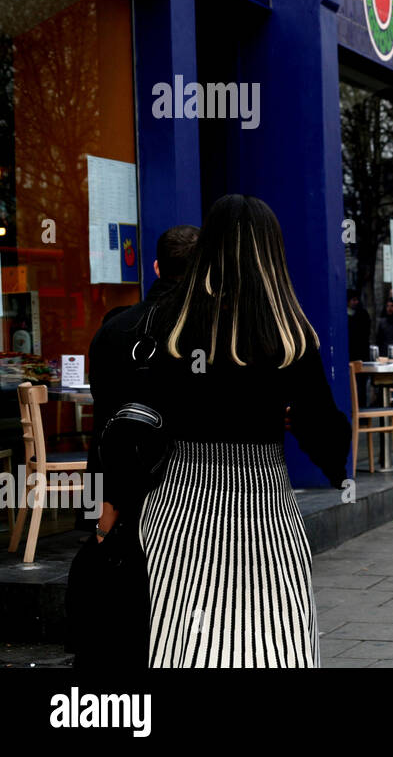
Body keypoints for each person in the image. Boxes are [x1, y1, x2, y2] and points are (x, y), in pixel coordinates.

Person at [96, 196, 350, 668]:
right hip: (264, 505)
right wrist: (326, 450)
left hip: (179, 504)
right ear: (272, 252)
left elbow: (137, 415)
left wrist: (113, 503)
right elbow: (326, 436)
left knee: (184, 639)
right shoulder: (289, 333)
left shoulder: (168, 323)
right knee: (276, 637)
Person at [75, 225, 199, 670]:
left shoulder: (114, 327)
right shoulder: (209, 330)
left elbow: (103, 405)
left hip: (112, 487)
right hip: (184, 488)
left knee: (121, 597)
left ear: (155, 267)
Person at [346, 289, 371, 362]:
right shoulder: (342, 316)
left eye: (357, 300)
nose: (356, 302)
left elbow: (366, 333)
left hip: (362, 353)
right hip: (350, 352)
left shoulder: (363, 314)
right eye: (353, 300)